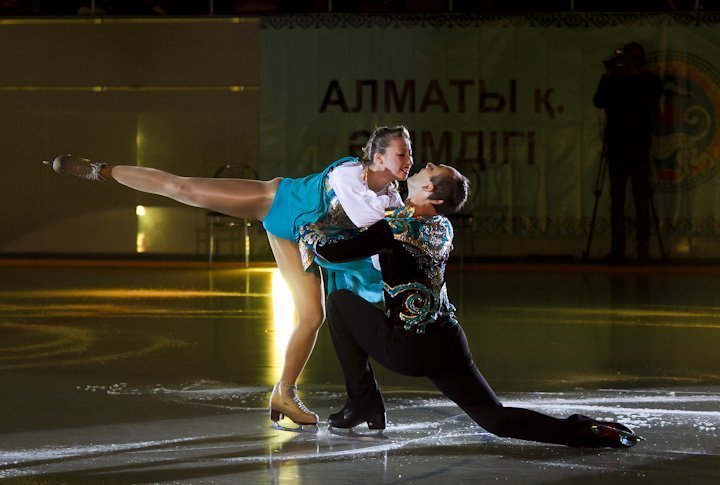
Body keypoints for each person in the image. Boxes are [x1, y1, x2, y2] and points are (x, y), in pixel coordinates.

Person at [44, 125, 420, 427]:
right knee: (184, 188)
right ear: (377, 156)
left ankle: (284, 393)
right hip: (273, 202)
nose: (409, 160)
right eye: (402, 153)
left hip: (299, 240)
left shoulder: (390, 199)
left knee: (313, 316)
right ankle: (100, 170)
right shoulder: (351, 175)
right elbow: (371, 224)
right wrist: (407, 217)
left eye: (411, 153)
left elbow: (379, 239)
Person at [303, 162, 642, 448]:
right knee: (494, 418)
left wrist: (309, 233)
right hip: (447, 340)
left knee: (337, 303)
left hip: (410, 346)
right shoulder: (443, 227)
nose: (425, 166)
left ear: (432, 195)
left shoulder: (396, 227)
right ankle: (584, 431)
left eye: (431, 170)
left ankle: (362, 400)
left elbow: (331, 253)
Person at [593, 42, 663, 264]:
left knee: (642, 197)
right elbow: (598, 102)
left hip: (639, 145)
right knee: (617, 199)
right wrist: (611, 76)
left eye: (632, 60)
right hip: (616, 145)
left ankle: (643, 249)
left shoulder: (648, 80)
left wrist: (636, 76)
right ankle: (617, 249)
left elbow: (652, 95)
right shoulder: (611, 79)